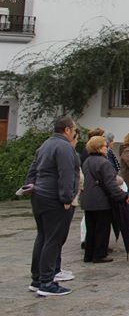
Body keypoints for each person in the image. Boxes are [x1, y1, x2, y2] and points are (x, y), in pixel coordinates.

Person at [24, 116, 80, 296]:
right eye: (74, 130)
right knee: (53, 239)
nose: (75, 133)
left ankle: (37, 278)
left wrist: (29, 186)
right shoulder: (64, 147)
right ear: (67, 130)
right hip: (54, 198)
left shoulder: (46, 144)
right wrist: (66, 198)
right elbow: (66, 174)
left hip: (40, 195)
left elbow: (33, 170)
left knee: (42, 236)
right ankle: (47, 282)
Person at [80, 135, 129, 263]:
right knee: (102, 228)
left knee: (91, 229)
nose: (106, 148)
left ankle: (89, 254)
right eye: (104, 146)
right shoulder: (104, 163)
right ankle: (99, 255)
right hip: (101, 200)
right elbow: (111, 184)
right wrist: (123, 196)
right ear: (99, 148)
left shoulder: (87, 161)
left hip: (88, 199)